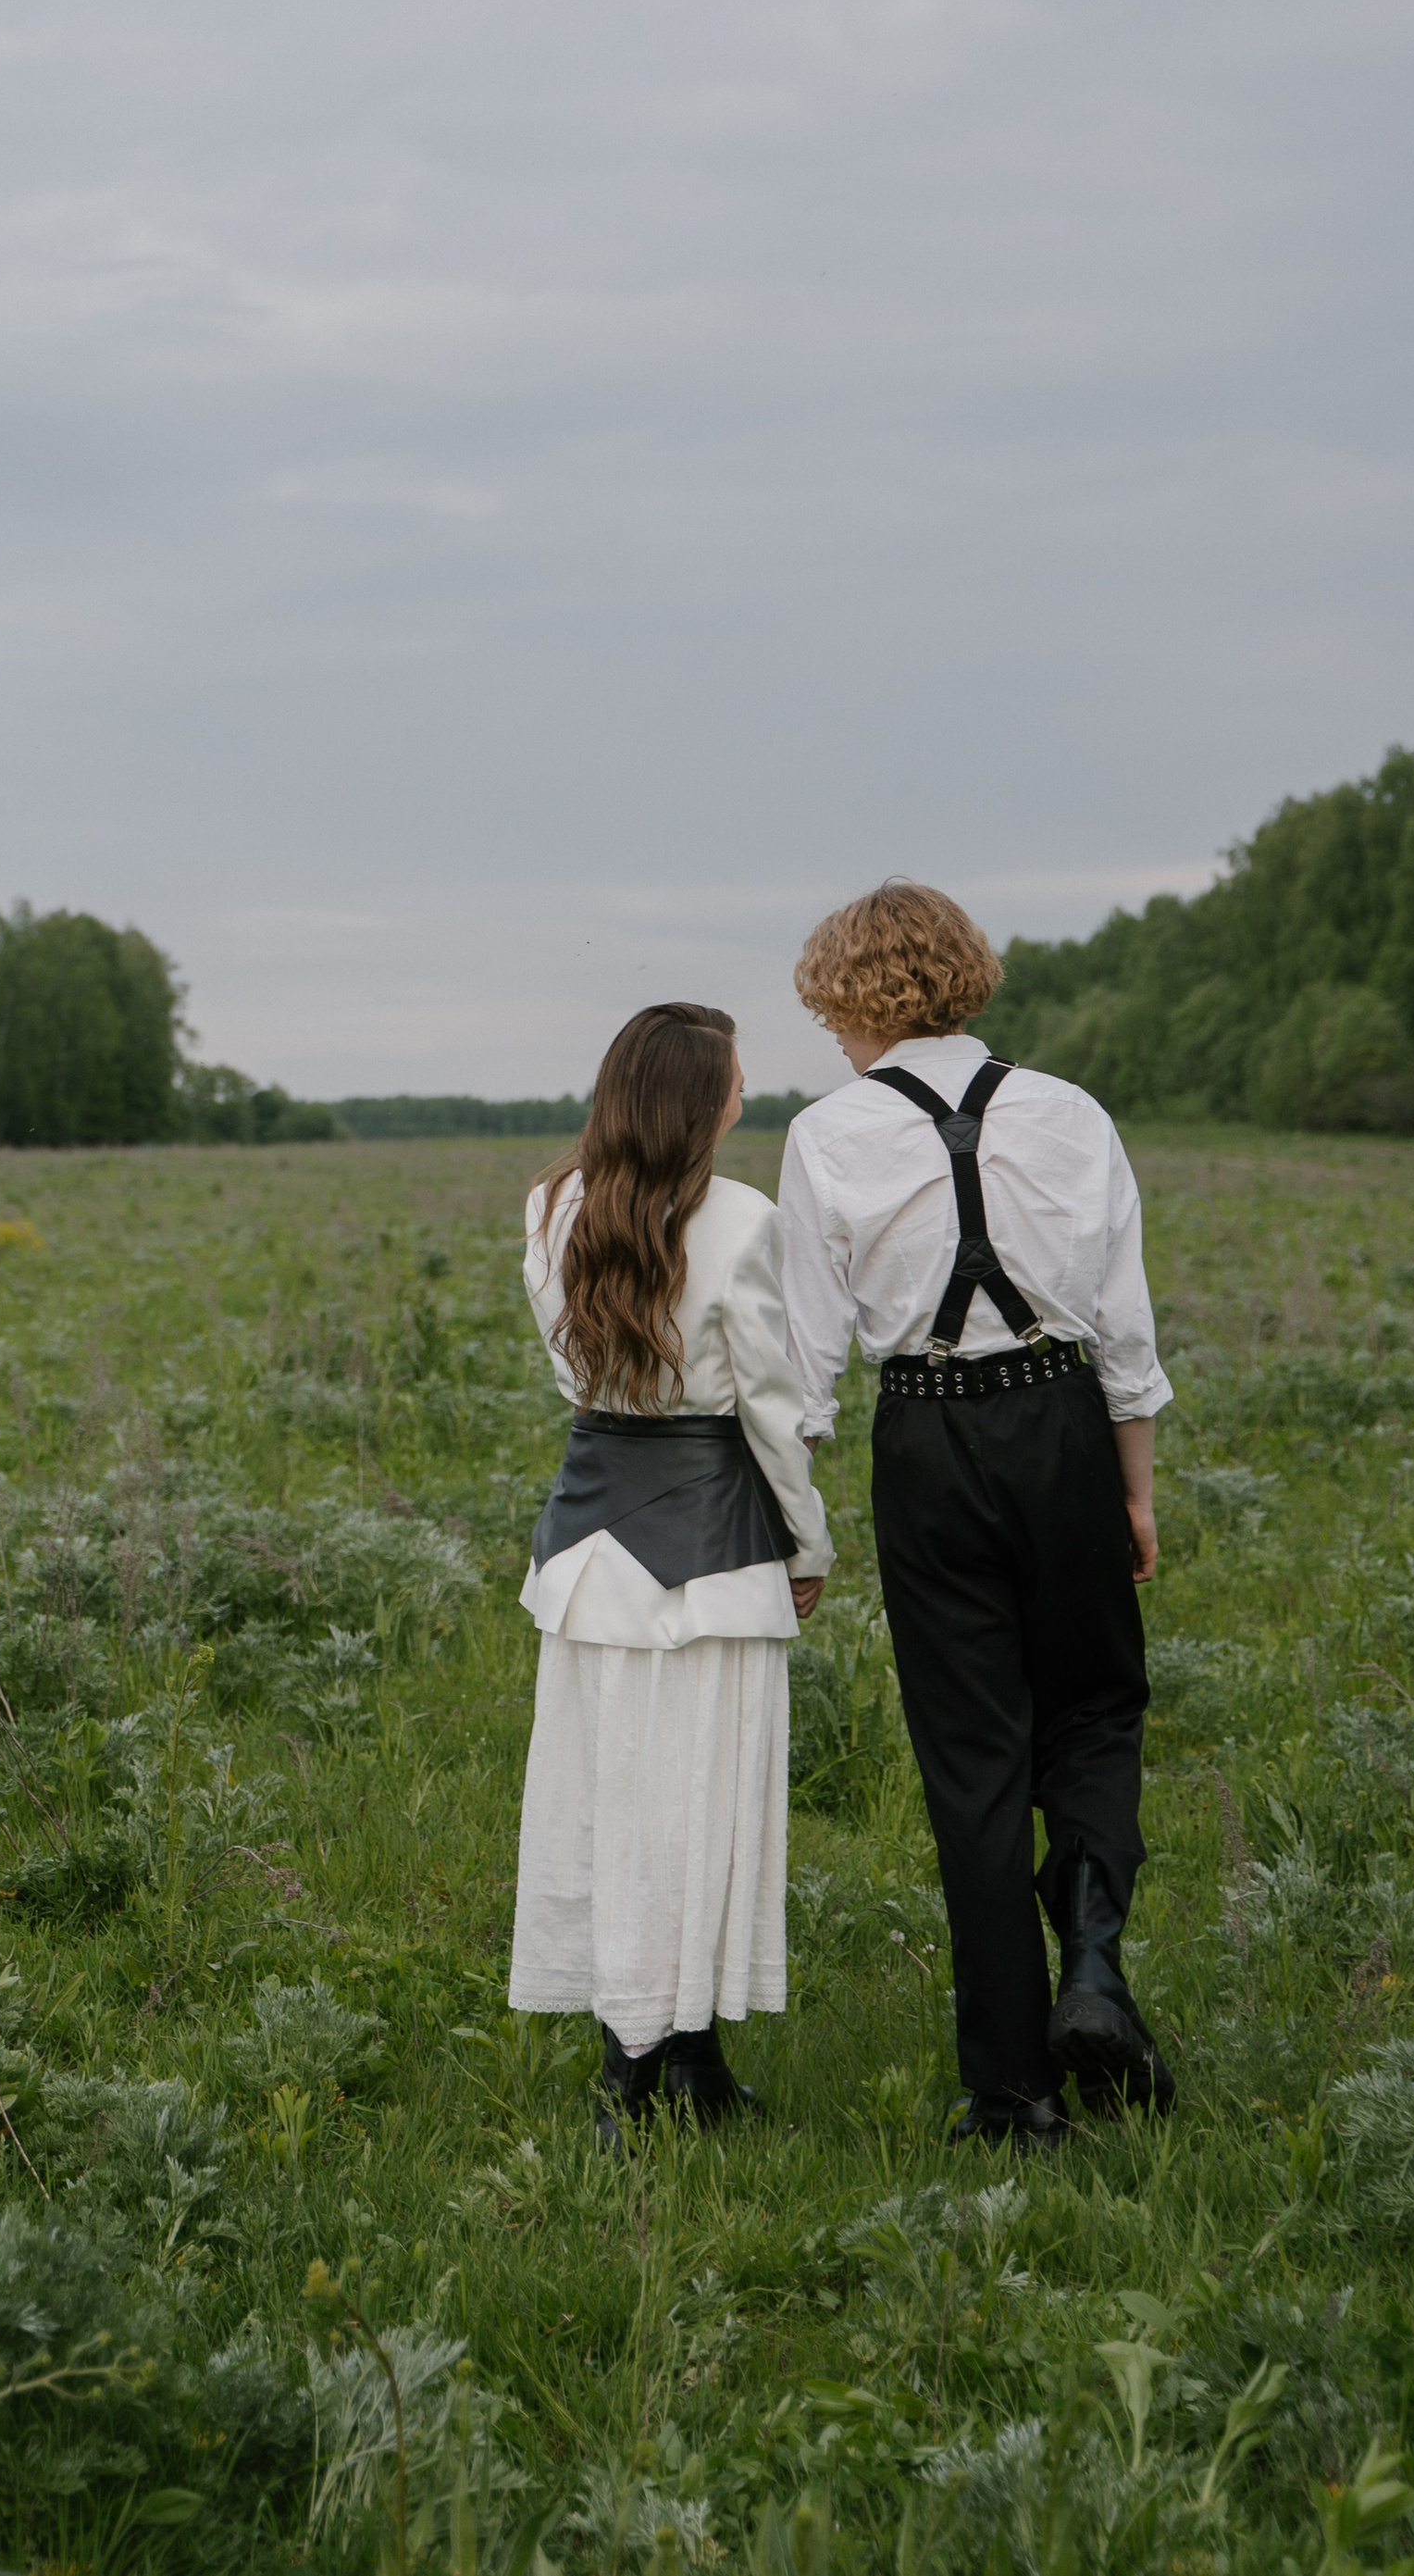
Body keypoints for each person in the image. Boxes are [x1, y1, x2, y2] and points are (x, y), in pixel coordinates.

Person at [775, 880, 1176, 2151]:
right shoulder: (1069, 1110)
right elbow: (1124, 1326)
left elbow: (802, 1368)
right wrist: (1133, 1487)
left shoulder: (827, 1133)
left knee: (973, 1754)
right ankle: (1095, 1966)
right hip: (1062, 1422)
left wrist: (794, 1525)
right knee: (1096, 1706)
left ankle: (1012, 2091)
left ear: (849, 996)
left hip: (927, 1437)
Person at [507, 1002, 835, 2142]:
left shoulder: (551, 1208)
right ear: (701, 1098)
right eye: (734, 1076)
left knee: (612, 1800)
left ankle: (681, 2059)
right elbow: (772, 1411)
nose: (745, 1091)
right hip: (714, 1553)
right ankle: (641, 2072)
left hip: (588, 1551)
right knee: (699, 1801)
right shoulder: (742, 1219)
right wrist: (808, 1544)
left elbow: (576, 1384)